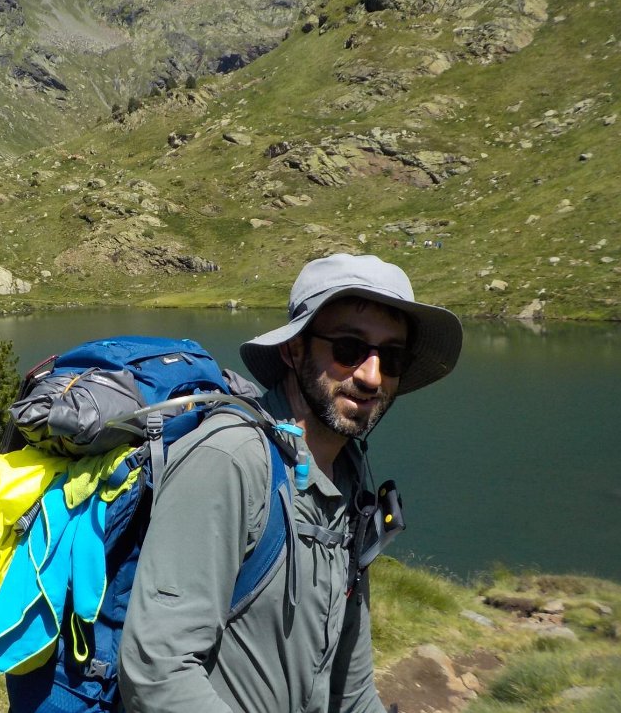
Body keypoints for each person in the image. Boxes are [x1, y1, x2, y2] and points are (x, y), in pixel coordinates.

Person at [118, 253, 463, 713]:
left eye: (392, 357)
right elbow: (157, 672)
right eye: (348, 349)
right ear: (293, 349)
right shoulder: (231, 460)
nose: (371, 376)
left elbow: (352, 690)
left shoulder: (351, 481)